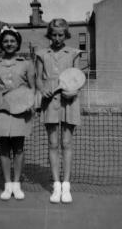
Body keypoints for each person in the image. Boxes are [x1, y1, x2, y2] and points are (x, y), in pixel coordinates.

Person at [0, 25, 35, 200]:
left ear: (17, 43)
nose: (9, 43)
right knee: (4, 149)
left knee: (19, 148)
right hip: (1, 110)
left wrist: (30, 102)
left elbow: (32, 87)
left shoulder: (26, 64)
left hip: (21, 110)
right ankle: (7, 185)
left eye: (12, 41)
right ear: (1, 44)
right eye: (5, 41)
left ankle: (17, 184)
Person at [35, 18, 82, 203]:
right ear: (49, 34)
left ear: (66, 34)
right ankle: (56, 185)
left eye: (60, 34)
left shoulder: (74, 53)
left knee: (67, 143)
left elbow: (77, 78)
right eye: (53, 34)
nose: (57, 38)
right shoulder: (41, 54)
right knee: (53, 144)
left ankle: (66, 186)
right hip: (49, 101)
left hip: (69, 102)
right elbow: (38, 78)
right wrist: (41, 88)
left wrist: (72, 91)